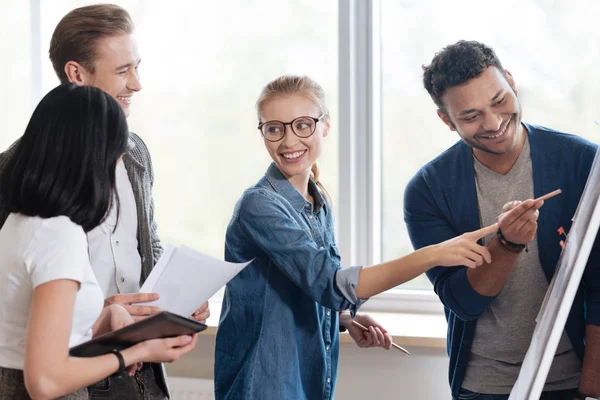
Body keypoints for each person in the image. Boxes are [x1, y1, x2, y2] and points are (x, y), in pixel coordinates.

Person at [214, 75, 514, 399]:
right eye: (275, 128)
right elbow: (331, 285)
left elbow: (308, 284)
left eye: (302, 125)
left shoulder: (318, 200)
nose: (288, 141)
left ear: (324, 126)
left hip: (307, 378)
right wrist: (434, 253)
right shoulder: (259, 205)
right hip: (263, 384)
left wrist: (343, 319)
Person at [0, 5, 209, 399]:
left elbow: (146, 244)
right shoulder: (23, 178)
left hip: (135, 367)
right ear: (76, 74)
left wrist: (173, 303)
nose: (137, 84)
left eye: (137, 66)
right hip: (72, 372)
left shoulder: (133, 153)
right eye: (122, 70)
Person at [404, 40, 600, 400]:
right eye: (470, 115)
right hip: (484, 385)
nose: (494, 123)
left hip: (574, 379)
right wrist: (507, 246)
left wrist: (593, 378)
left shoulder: (583, 162)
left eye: (499, 101)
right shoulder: (428, 190)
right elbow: (462, 301)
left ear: (510, 81)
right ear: (446, 120)